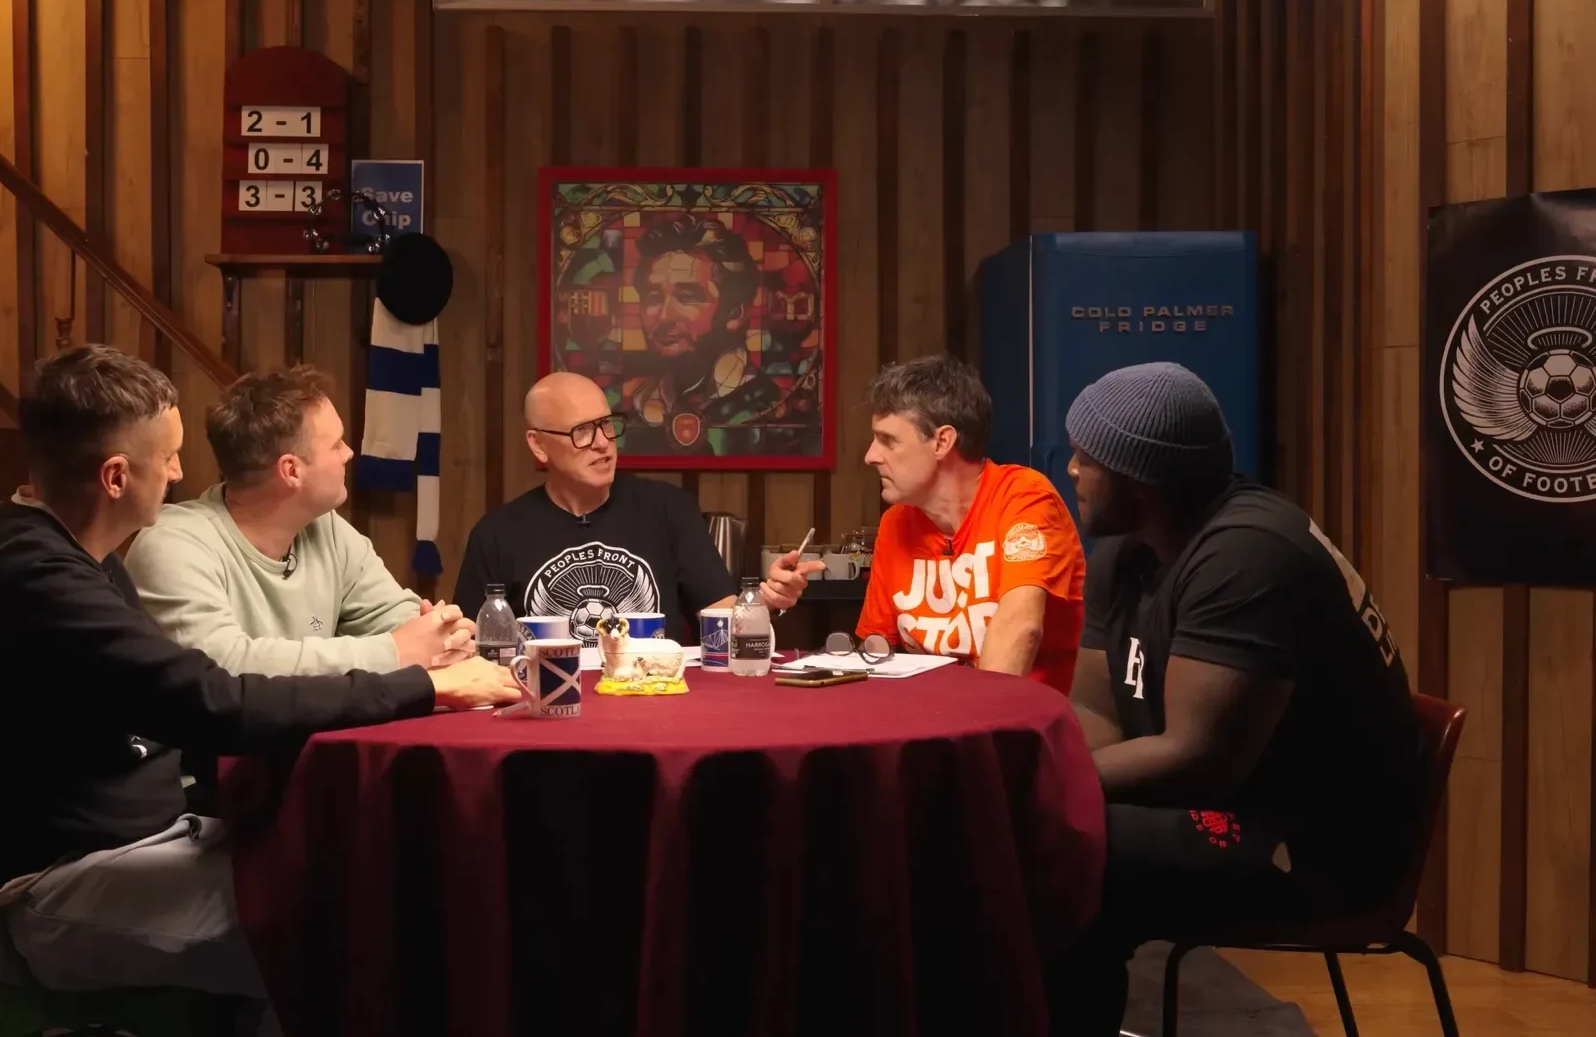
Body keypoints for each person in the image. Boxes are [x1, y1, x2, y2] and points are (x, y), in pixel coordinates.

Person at [0, 344, 519, 1009]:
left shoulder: (70, 556)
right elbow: (213, 700)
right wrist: (421, 685)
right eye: (167, 457)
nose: (180, 471)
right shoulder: (36, 582)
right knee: (364, 924)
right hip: (31, 893)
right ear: (114, 477)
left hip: (120, 846)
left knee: (383, 871)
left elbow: (188, 702)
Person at [1047, 362, 1422, 1035]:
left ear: (1140, 477)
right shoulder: (1125, 549)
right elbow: (1097, 713)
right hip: (1228, 808)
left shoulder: (1249, 553)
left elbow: (1202, 761)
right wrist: (1055, 788)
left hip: (1318, 845)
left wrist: (1043, 786)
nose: (1070, 468)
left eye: (1086, 456)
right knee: (1038, 830)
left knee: (1051, 844)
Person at [124, 364, 474, 676]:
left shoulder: (326, 528)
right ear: (291, 470)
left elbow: (400, 620)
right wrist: (394, 650)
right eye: (336, 444)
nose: (349, 453)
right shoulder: (173, 544)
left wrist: (442, 633)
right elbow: (224, 665)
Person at [453, 371, 825, 642]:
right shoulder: (497, 535)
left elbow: (724, 623)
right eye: (582, 431)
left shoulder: (668, 510)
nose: (603, 443)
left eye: (607, 425)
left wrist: (765, 600)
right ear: (538, 445)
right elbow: (472, 647)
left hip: (655, 705)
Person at [853, 355, 1086, 694]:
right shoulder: (896, 522)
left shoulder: (1023, 497)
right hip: (933, 718)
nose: (870, 456)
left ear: (942, 442)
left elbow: (1020, 629)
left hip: (1020, 724)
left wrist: (974, 732)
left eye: (888, 440)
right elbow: (877, 651)